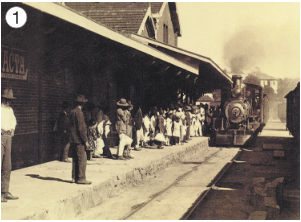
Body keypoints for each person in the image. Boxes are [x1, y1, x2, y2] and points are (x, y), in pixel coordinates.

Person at [69, 94, 92, 185]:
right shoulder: (79, 113)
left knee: (75, 158)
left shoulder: (72, 111)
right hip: (79, 139)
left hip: (73, 138)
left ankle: (74, 177)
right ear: (82, 104)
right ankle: (81, 178)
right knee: (82, 158)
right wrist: (85, 141)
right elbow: (81, 128)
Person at [1, 88, 18, 202]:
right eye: (8, 100)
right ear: (4, 99)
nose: (10, 102)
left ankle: (5, 191)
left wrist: (12, 129)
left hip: (8, 137)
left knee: (7, 165)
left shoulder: (10, 110)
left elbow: (13, 120)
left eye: (11, 100)